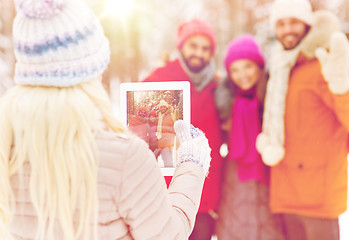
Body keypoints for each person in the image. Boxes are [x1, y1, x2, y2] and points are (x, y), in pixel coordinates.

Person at [0, 0, 212, 239]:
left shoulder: (6, 143)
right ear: (93, 70)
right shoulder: (125, 157)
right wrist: (191, 164)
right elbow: (168, 235)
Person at [255, 0, 349, 239]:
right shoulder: (281, 65)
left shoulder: (326, 62)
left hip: (318, 201)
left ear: (307, 24)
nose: (287, 29)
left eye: (294, 22)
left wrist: (342, 84)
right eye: (281, 24)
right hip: (285, 194)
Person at [143, 18, 223, 240]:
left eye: (206, 48)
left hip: (205, 200)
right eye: (193, 46)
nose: (199, 53)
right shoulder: (158, 80)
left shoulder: (218, 87)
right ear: (181, 47)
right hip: (166, 196)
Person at [215, 34, 284, 240]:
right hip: (235, 180)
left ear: (259, 66)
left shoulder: (273, 98)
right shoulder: (224, 101)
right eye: (235, 69)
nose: (242, 75)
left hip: (270, 174)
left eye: (247, 67)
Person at [156, 100, 176, 167]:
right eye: (161, 107)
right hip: (162, 139)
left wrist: (169, 138)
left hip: (168, 140)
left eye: (164, 107)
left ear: (167, 108)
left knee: (167, 157)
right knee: (165, 157)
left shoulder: (170, 116)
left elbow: (173, 129)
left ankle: (169, 170)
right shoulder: (160, 117)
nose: (163, 108)